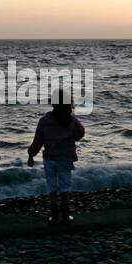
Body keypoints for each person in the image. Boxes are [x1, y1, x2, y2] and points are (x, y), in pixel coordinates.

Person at [27, 93, 85, 225]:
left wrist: (31, 154)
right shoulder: (71, 120)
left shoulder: (44, 121)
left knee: (51, 186)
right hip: (65, 159)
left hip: (50, 159)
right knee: (65, 186)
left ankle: (54, 216)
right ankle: (65, 216)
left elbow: (38, 141)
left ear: (53, 103)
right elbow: (80, 133)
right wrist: (72, 136)